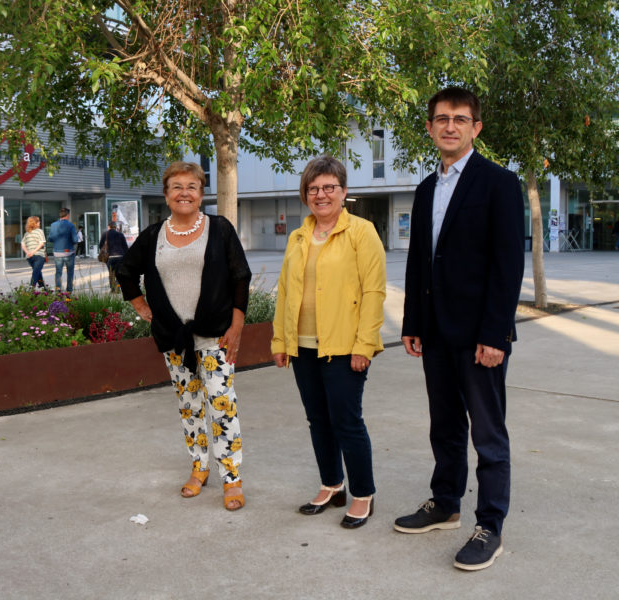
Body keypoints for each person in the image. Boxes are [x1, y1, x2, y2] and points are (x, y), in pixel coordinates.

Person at [395, 87, 525, 571]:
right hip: (435, 334)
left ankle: (489, 525)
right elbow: (419, 262)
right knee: (444, 427)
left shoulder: (499, 183)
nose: (450, 126)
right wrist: (412, 322)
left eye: (461, 119)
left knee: (488, 436)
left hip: (480, 338)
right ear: (430, 127)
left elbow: (507, 266)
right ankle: (445, 502)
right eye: (442, 118)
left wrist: (496, 334)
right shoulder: (427, 187)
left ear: (476, 128)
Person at [116, 161, 252, 511]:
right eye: (176, 186)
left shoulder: (219, 229)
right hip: (175, 339)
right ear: (166, 194)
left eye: (192, 186)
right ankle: (199, 467)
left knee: (222, 407)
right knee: (189, 407)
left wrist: (237, 324)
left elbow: (240, 276)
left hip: (216, 336)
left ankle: (231, 478)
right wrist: (142, 307)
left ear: (202, 193)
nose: (184, 193)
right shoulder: (153, 236)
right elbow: (126, 270)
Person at [271, 156, 386, 530]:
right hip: (302, 347)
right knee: (318, 419)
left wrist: (364, 344)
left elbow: (373, 291)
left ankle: (362, 493)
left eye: (328, 187)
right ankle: (332, 485)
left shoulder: (361, 232)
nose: (321, 195)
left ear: (343, 191)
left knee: (347, 421)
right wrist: (280, 340)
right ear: (305, 194)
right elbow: (285, 291)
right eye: (314, 188)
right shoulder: (298, 236)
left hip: (343, 346)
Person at [48, 207, 78, 292]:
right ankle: (69, 290)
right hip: (68, 252)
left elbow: (50, 239)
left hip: (57, 252)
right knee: (70, 272)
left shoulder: (53, 225)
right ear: (67, 215)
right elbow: (75, 240)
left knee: (58, 272)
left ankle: (58, 290)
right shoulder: (70, 225)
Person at [98, 221, 128, 293]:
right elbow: (125, 247)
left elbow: (100, 245)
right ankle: (118, 287)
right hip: (120, 256)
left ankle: (112, 289)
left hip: (110, 257)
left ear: (109, 227)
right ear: (115, 227)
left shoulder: (105, 234)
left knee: (111, 273)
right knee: (119, 273)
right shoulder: (120, 234)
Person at [21, 216, 47, 289]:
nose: (40, 222)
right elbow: (41, 243)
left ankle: (43, 288)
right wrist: (33, 252)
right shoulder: (40, 231)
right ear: (34, 223)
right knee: (36, 272)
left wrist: (28, 252)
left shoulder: (27, 233)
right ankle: (31, 288)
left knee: (37, 271)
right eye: (38, 221)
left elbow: (22, 244)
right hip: (39, 256)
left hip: (30, 257)